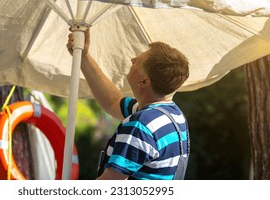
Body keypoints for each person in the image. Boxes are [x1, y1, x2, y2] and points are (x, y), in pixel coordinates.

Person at [67, 28, 190, 180]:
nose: (132, 60)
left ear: (144, 81)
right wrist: (84, 57)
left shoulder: (140, 126)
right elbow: (113, 102)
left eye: (138, 61)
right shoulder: (170, 115)